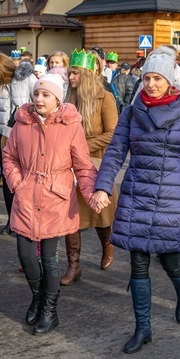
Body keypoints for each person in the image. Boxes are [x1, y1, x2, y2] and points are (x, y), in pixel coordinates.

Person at [91, 54, 180, 354]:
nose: (151, 83)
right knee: (138, 262)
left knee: (170, 261)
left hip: (172, 197)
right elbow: (115, 151)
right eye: (147, 78)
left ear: (170, 81)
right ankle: (142, 328)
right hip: (137, 195)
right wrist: (103, 186)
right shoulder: (132, 113)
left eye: (157, 78)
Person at [2, 73, 100, 335]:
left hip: (56, 199)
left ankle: (50, 310)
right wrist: (17, 183)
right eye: (36, 94)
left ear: (57, 98)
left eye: (45, 95)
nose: (39, 99)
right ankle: (37, 296)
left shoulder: (71, 125)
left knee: (49, 259)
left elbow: (83, 165)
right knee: (25, 255)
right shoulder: (22, 122)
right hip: (26, 195)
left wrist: (92, 194)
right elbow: (9, 156)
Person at [61, 49, 119, 284]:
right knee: (70, 216)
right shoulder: (67, 100)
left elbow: (112, 133)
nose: (70, 78)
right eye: (69, 73)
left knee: (101, 213)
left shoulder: (105, 98)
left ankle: (107, 244)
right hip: (69, 165)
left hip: (96, 163)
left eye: (74, 73)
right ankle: (74, 265)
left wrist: (81, 145)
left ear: (85, 73)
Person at [0, 53, 36, 235]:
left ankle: (26, 220)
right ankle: (11, 220)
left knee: (24, 179)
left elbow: (37, 104)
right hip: (3, 136)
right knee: (7, 180)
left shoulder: (27, 79)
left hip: (25, 136)